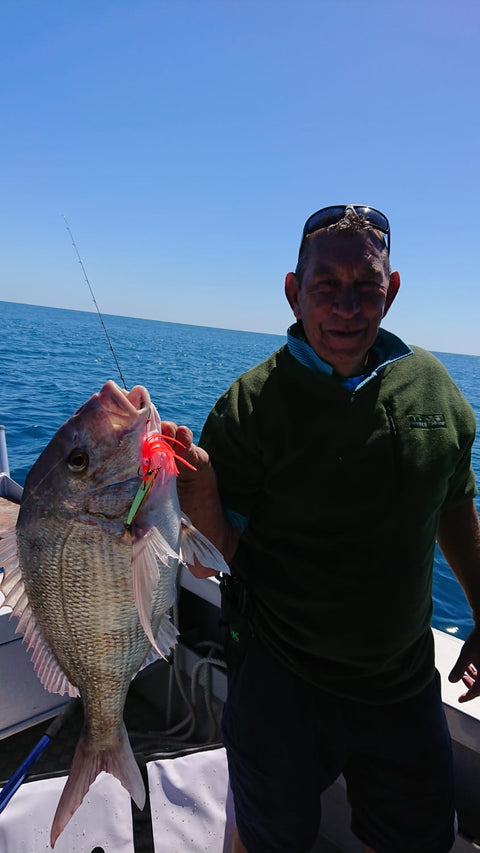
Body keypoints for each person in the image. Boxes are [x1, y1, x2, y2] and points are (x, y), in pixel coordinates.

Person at [164, 205, 480, 853]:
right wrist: (197, 493)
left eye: (365, 286)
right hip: (281, 680)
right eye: (324, 286)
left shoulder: (437, 393)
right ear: (292, 291)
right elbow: (210, 558)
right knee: (262, 836)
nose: (346, 306)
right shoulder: (250, 406)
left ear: (391, 291)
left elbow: (454, 506)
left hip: (402, 685)